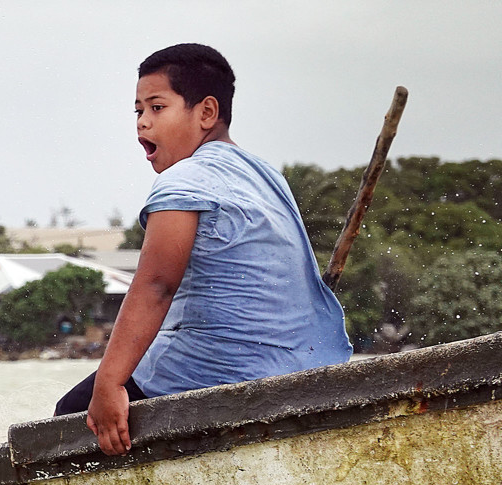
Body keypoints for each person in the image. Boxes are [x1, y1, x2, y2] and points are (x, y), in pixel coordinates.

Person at [56, 43, 352, 455]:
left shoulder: (186, 180)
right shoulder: (266, 176)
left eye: (157, 108)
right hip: (305, 364)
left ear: (206, 113)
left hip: (218, 367)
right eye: (138, 111)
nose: (142, 123)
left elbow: (157, 286)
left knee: (70, 416)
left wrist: (109, 384)